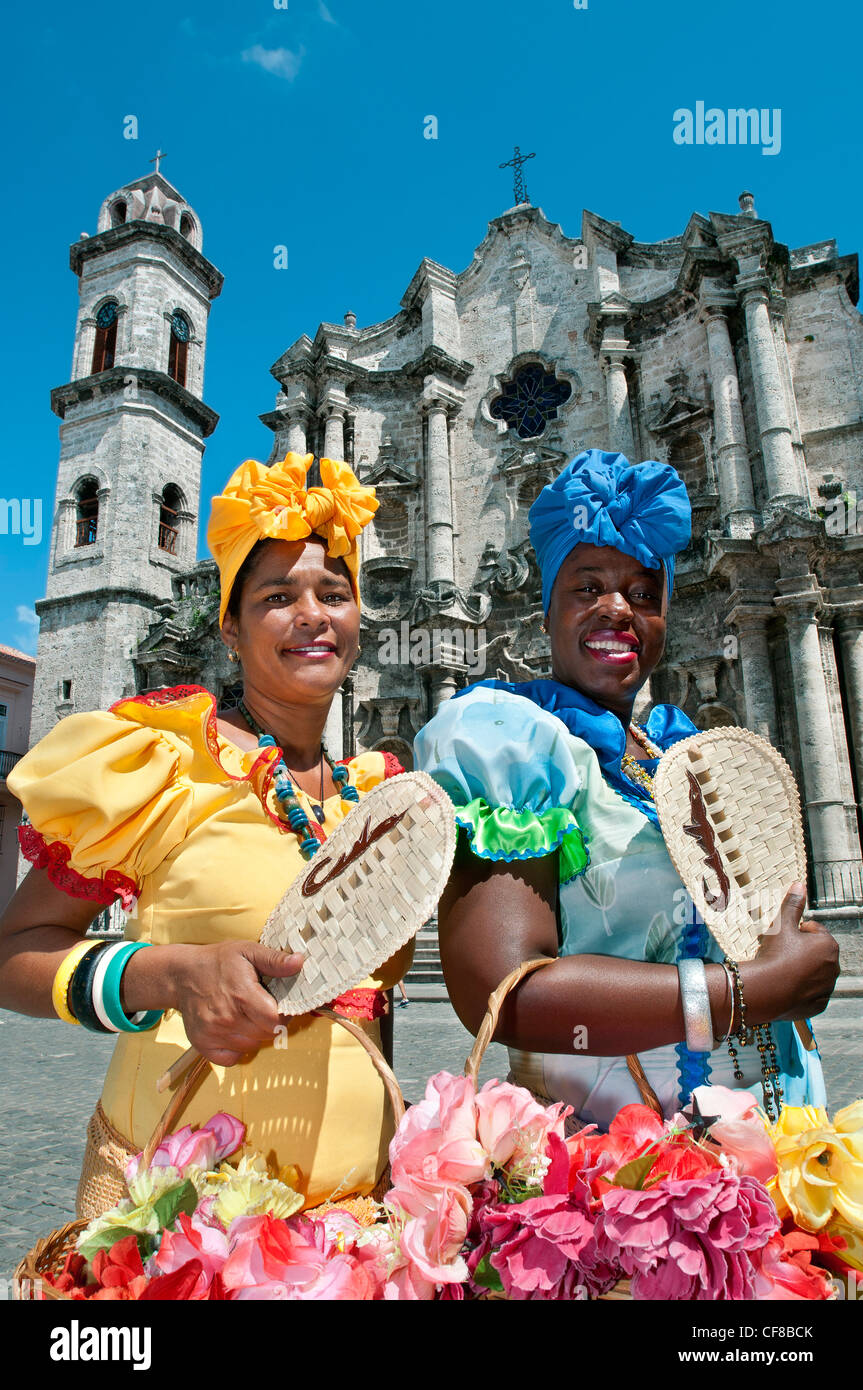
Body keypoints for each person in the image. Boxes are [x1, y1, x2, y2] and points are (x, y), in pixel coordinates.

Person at [0, 451, 411, 1217]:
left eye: (334, 593)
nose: (312, 615)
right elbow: (14, 953)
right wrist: (171, 976)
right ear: (229, 627)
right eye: (277, 597)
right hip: (182, 1223)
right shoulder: (164, 762)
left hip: (355, 1225)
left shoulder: (375, 793)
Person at [414, 449, 839, 1128]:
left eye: (644, 594)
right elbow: (505, 994)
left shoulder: (668, 752)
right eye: (586, 587)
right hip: (623, 1176)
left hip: (770, 1145)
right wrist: (749, 990)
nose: (619, 610)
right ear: (545, 609)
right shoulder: (508, 742)